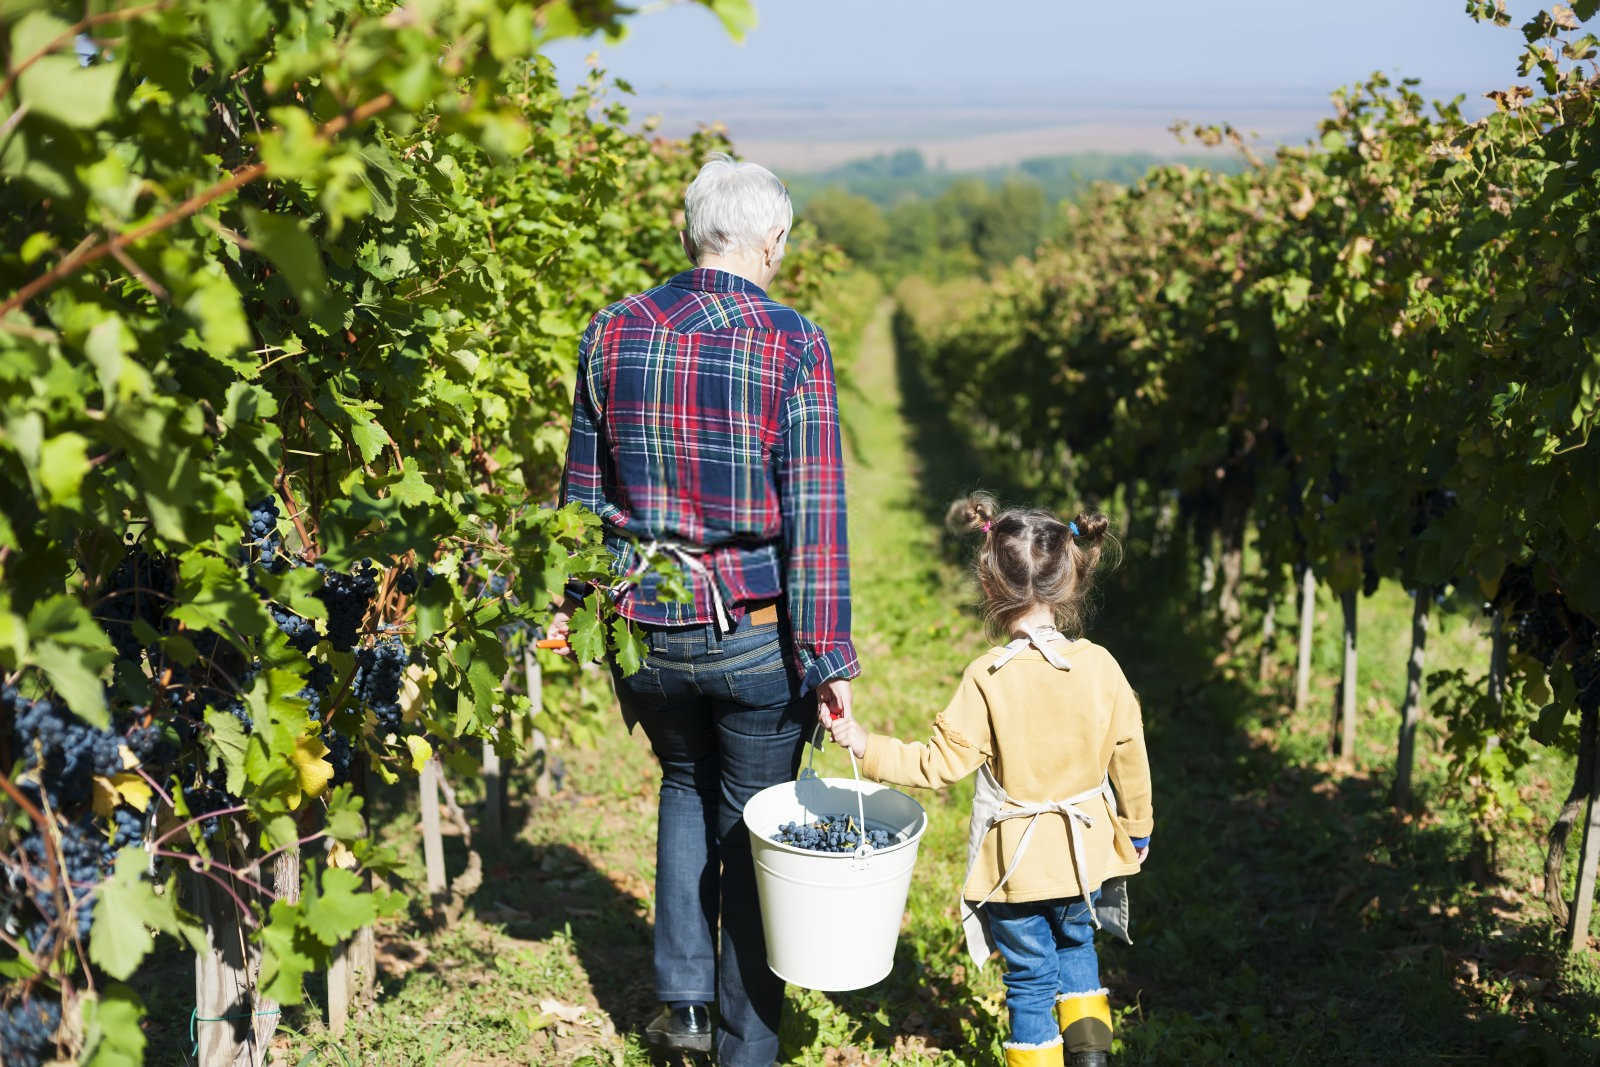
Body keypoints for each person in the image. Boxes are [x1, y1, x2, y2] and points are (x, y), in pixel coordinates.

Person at [550, 153, 859, 1066]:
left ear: (688, 235)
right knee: (755, 819)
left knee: (684, 780)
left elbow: (579, 497)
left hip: (644, 627)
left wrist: (567, 604)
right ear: (774, 242)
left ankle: (682, 1004)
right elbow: (817, 515)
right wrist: (830, 660)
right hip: (752, 631)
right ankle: (744, 1046)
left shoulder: (610, 332)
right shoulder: (793, 340)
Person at [823, 493, 1153, 1067]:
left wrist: (864, 744)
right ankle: (1092, 1059)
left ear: (990, 585)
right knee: (1079, 951)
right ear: (1071, 579)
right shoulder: (1102, 665)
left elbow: (936, 764)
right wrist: (1138, 828)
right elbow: (1131, 755)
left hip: (1019, 868)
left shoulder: (988, 678)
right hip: (1087, 855)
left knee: (1029, 981)